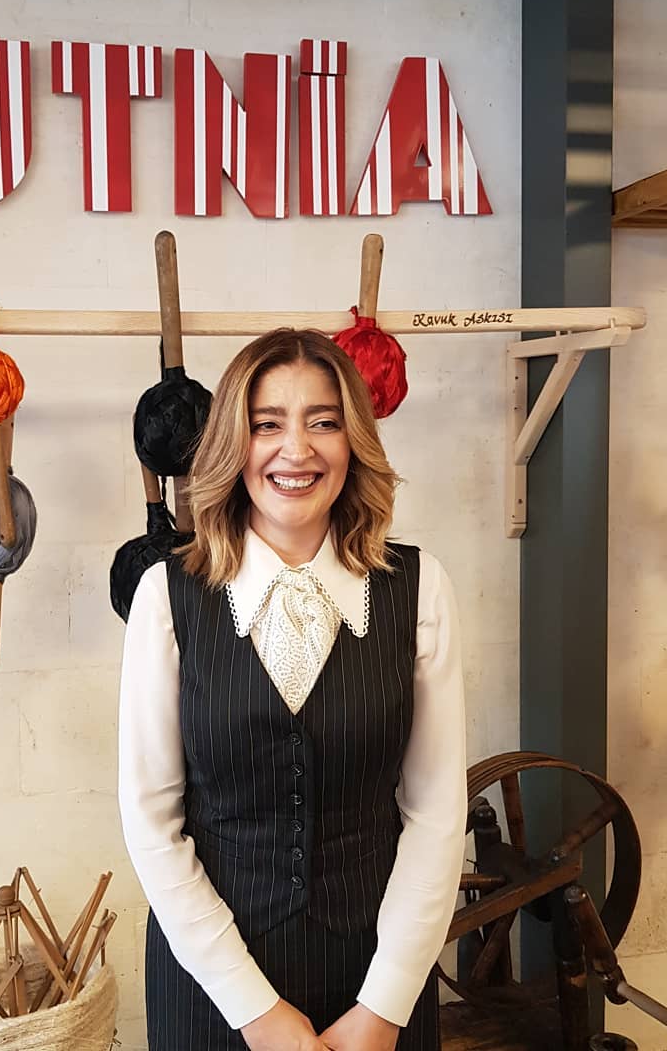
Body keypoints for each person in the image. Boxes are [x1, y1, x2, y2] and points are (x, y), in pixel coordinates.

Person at [118, 329, 467, 1051]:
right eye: (267, 424)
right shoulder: (165, 596)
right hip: (212, 988)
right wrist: (257, 1012)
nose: (297, 450)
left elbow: (436, 816)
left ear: (354, 442)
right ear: (233, 444)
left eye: (324, 422)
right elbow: (152, 824)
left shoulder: (420, 588)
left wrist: (384, 1007)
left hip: (377, 978)